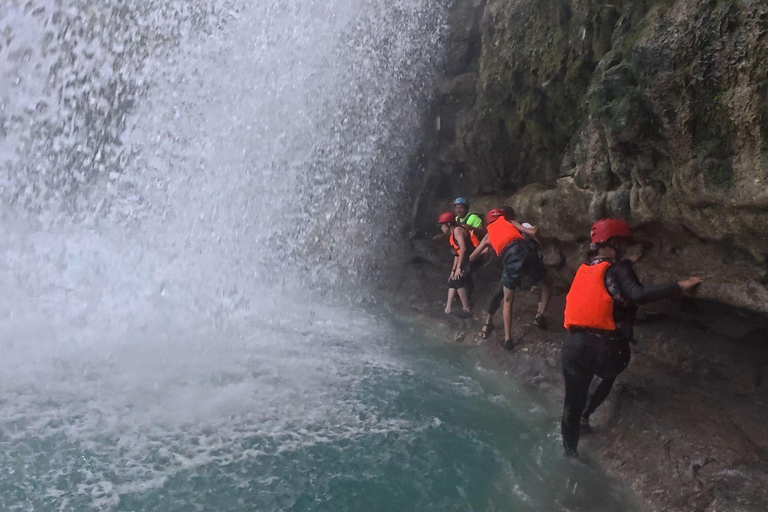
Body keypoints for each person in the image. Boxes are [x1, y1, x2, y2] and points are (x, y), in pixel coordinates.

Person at [560, 219, 703, 457]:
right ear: (613, 243)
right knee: (608, 373)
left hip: (573, 345)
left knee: (570, 405)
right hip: (606, 348)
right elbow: (638, 294)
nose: (626, 249)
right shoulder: (619, 269)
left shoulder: (585, 268)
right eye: (624, 244)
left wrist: (627, 262)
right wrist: (679, 285)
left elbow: (607, 280)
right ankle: (586, 417)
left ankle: (570, 454)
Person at [469, 208, 542, 350]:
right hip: (527, 256)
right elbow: (533, 232)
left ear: (488, 222)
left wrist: (486, 248)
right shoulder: (510, 222)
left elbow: (472, 257)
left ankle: (508, 339)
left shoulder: (489, 235)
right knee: (544, 280)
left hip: (511, 260)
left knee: (507, 300)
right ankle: (540, 311)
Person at [437, 211, 481, 317]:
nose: (441, 228)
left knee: (458, 279)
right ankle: (448, 308)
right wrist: (453, 270)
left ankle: (466, 309)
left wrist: (459, 268)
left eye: (442, 225)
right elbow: (457, 254)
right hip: (466, 259)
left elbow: (463, 248)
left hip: (473, 258)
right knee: (452, 279)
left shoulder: (457, 230)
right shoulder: (452, 236)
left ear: (448, 224)